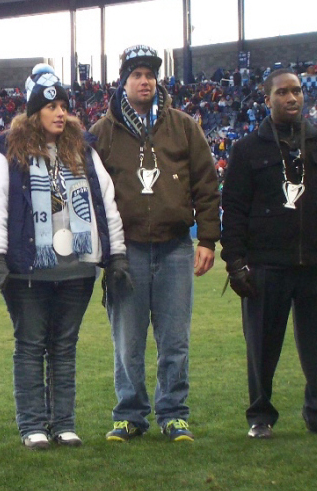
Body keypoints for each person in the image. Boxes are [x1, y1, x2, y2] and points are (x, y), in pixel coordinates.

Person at [0, 64, 129, 449]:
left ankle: (63, 424)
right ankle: (32, 426)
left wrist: (116, 254)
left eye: (64, 106)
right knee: (30, 346)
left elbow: (106, 204)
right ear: (34, 112)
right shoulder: (6, 151)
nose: (60, 113)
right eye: (51, 106)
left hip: (77, 269)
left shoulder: (84, 150)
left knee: (64, 347)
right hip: (27, 271)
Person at [221, 69, 317, 440]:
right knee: (261, 348)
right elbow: (233, 210)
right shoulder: (247, 150)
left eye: (297, 91)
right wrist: (235, 263)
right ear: (266, 99)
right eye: (282, 92)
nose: (291, 98)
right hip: (266, 265)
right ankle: (260, 418)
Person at [89, 45, 220, 442]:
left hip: (175, 246)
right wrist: (103, 250)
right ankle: (129, 415)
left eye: (150, 74)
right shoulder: (102, 132)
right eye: (136, 75)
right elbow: (91, 194)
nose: (144, 81)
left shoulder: (183, 126)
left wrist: (208, 238)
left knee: (175, 340)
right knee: (127, 342)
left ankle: (173, 414)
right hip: (125, 251)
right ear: (123, 81)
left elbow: (206, 184)